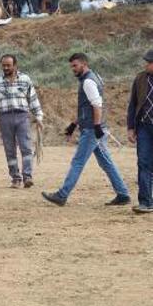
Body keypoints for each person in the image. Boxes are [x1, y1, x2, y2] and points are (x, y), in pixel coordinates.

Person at [41, 53, 131, 207]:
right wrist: (74, 124)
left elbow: (97, 105)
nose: (73, 69)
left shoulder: (88, 81)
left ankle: (62, 195)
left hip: (91, 130)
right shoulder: (92, 77)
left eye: (75, 66)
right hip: (96, 127)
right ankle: (123, 194)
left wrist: (96, 126)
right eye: (71, 66)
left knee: (78, 162)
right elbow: (87, 107)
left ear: (84, 64)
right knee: (106, 163)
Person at [0, 54, 44, 189]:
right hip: (5, 118)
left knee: (26, 148)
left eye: (8, 65)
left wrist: (39, 117)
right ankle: (15, 179)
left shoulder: (25, 79)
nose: (5, 68)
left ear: (15, 65)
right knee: (10, 150)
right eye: (3, 65)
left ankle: (27, 177)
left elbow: (33, 99)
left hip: (22, 116)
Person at [126, 49, 153, 213]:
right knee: (143, 163)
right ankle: (145, 202)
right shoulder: (140, 79)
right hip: (143, 127)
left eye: (149, 62)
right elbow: (132, 105)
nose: (146, 65)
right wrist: (130, 127)